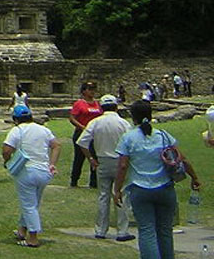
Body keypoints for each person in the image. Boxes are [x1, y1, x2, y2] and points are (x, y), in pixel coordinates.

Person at [114, 99, 202, 259]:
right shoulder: (162, 136)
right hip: (165, 188)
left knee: (147, 230)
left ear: (133, 117)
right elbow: (182, 158)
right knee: (165, 230)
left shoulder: (128, 138)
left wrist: (117, 189)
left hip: (140, 189)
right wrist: (194, 177)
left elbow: (122, 166)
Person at [3, 104, 61, 248]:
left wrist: (7, 160)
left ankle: (33, 238)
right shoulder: (44, 130)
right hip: (43, 171)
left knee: (29, 205)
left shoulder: (17, 130)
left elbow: (6, 149)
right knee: (33, 202)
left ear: (16, 119)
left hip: (26, 171)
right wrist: (52, 164)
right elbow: (56, 145)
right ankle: (22, 230)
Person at [76, 94, 134, 241]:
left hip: (102, 160)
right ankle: (122, 231)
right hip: (120, 160)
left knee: (103, 195)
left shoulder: (96, 122)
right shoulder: (124, 123)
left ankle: (101, 229)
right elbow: (131, 143)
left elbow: (82, 142)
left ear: (101, 107)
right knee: (120, 194)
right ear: (116, 107)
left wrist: (90, 158)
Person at [69, 81, 102, 188]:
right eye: (90, 89)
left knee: (94, 156)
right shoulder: (79, 103)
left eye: (94, 89)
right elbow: (72, 118)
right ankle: (74, 180)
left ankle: (93, 181)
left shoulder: (97, 104)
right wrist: (83, 127)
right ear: (84, 91)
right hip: (81, 132)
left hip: (94, 134)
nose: (92, 91)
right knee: (79, 157)